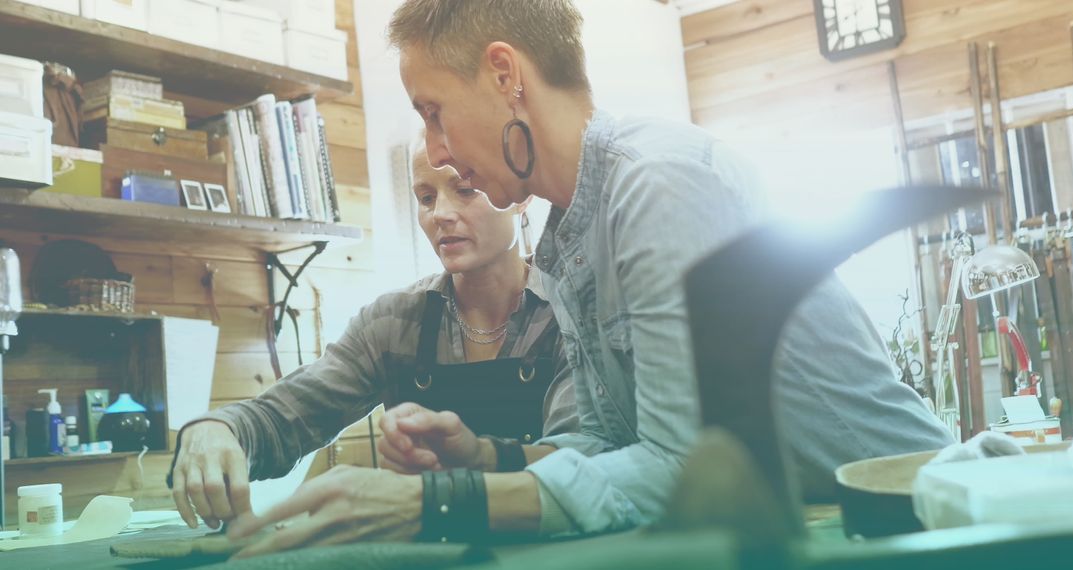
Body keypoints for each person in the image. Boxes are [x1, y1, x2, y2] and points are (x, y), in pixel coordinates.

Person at [226, 0, 953, 555]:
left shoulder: (657, 182)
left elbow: (683, 467)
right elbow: (614, 444)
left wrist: (439, 503)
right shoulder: (569, 232)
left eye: (434, 113)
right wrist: (487, 458)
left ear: (506, 75)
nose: (438, 152)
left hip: (911, 527)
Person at [167, 141, 577, 531]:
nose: (440, 215)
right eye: (426, 198)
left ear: (519, 197)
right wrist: (217, 429)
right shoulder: (393, 322)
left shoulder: (570, 315)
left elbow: (581, 465)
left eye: (465, 190)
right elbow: (285, 419)